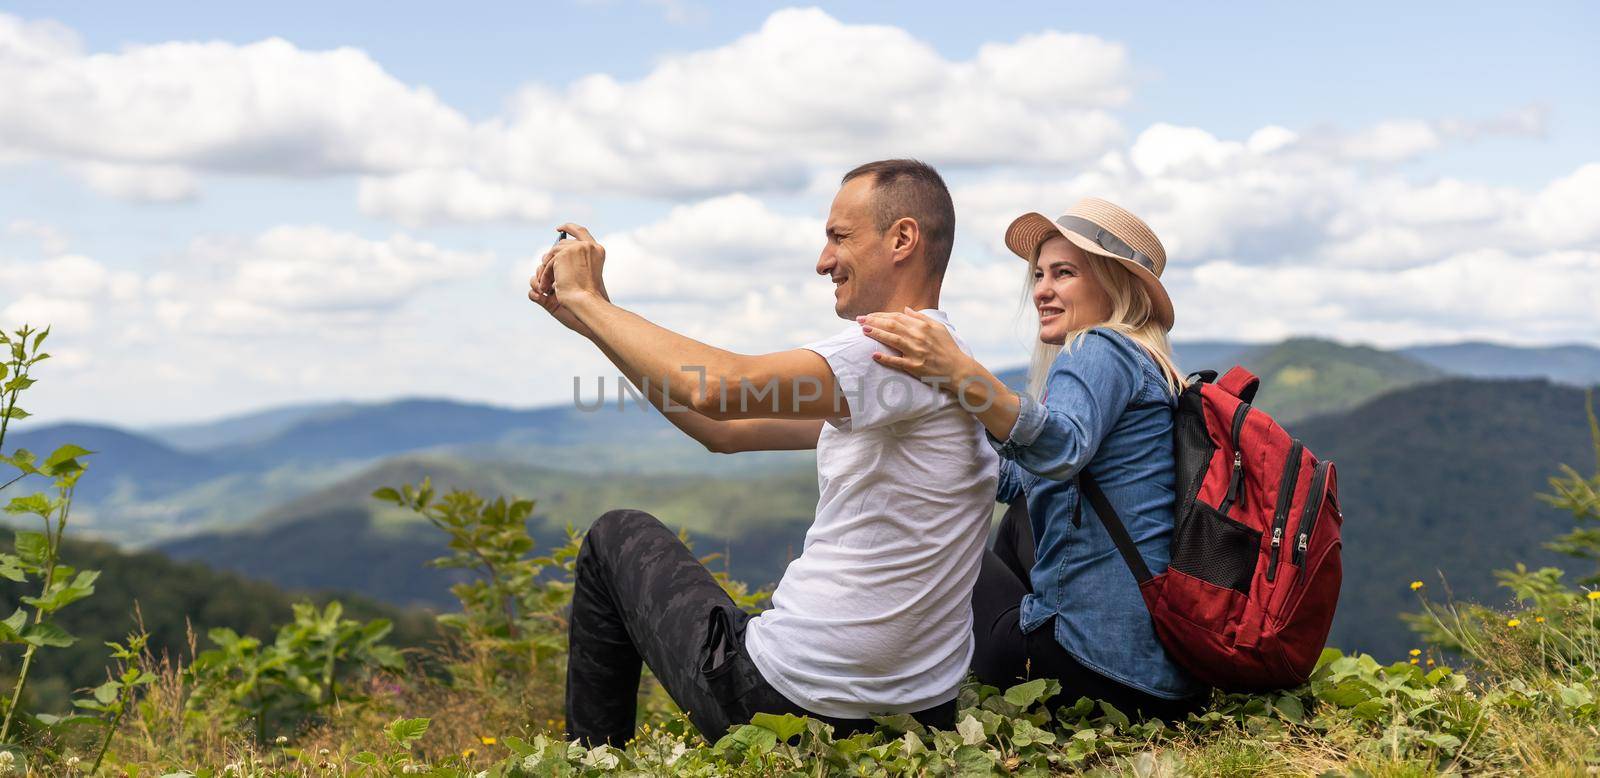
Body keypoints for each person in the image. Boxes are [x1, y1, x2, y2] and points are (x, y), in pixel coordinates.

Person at [528, 159, 999, 746]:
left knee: (613, 537)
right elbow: (722, 429)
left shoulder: (886, 351)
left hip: (791, 701)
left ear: (902, 238)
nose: (823, 261)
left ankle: (589, 760)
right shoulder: (939, 366)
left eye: (839, 236)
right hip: (916, 712)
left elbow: (716, 388)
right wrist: (593, 324)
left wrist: (593, 300)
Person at [857, 197, 1210, 719]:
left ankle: (886, 682)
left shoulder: (1100, 348)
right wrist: (925, 423)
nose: (1041, 290)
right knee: (1022, 515)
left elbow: (1061, 445)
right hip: (1159, 679)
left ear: (1115, 284)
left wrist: (960, 373)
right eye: (1039, 274)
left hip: (1090, 669)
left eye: (1063, 273)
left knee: (937, 539)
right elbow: (1016, 476)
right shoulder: (1151, 365)